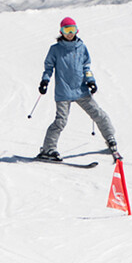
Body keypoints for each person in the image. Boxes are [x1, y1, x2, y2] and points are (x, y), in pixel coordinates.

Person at [36, 17, 120, 161]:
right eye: (66, 30)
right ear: (61, 32)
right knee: (60, 121)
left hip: (80, 90)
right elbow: (49, 67)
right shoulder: (55, 49)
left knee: (98, 113)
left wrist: (91, 81)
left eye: (72, 30)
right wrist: (45, 80)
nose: (70, 33)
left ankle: (110, 137)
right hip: (63, 91)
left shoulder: (81, 48)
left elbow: (86, 67)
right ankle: (48, 149)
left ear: (77, 30)